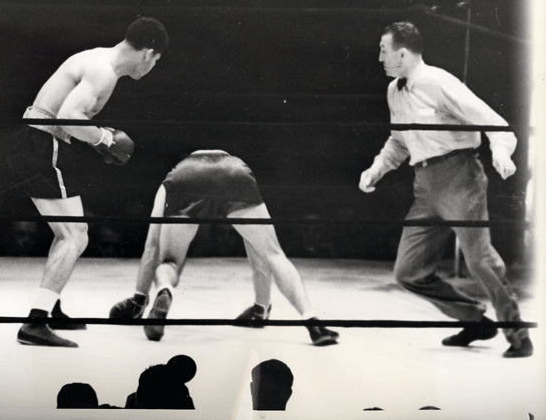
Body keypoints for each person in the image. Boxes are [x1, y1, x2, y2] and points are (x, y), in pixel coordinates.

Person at [359, 21, 532, 358]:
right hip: (424, 186)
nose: (379, 57)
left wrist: (500, 150)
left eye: (384, 50)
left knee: (479, 260)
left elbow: (491, 120)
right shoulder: (395, 90)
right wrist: (376, 169)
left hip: (460, 178)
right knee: (408, 272)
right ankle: (475, 321)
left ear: (403, 52)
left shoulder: (438, 83)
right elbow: (399, 141)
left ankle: (517, 333)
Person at [6, 16, 169, 347]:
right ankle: (34, 324)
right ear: (148, 53)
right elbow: (69, 116)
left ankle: (48, 308)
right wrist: (104, 140)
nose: (152, 68)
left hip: (39, 141)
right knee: (75, 236)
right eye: (156, 61)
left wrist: (98, 137)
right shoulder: (103, 71)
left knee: (65, 233)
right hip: (42, 143)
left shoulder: (96, 57)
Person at [109, 150, 339, 346]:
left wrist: (138, 300)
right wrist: (260, 309)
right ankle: (313, 322)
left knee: (168, 262)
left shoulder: (171, 179)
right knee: (273, 254)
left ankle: (165, 290)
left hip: (186, 177)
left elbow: (151, 247)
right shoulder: (232, 161)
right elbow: (260, 259)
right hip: (234, 172)